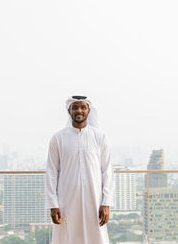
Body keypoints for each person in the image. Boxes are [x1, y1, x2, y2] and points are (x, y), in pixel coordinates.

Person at [46, 95, 114, 244]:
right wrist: (53, 204)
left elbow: (107, 171)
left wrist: (106, 202)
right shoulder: (58, 138)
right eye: (75, 107)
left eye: (83, 107)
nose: (79, 111)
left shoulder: (100, 137)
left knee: (96, 237)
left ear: (89, 110)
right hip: (66, 201)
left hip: (94, 200)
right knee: (66, 237)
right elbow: (51, 172)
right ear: (69, 110)